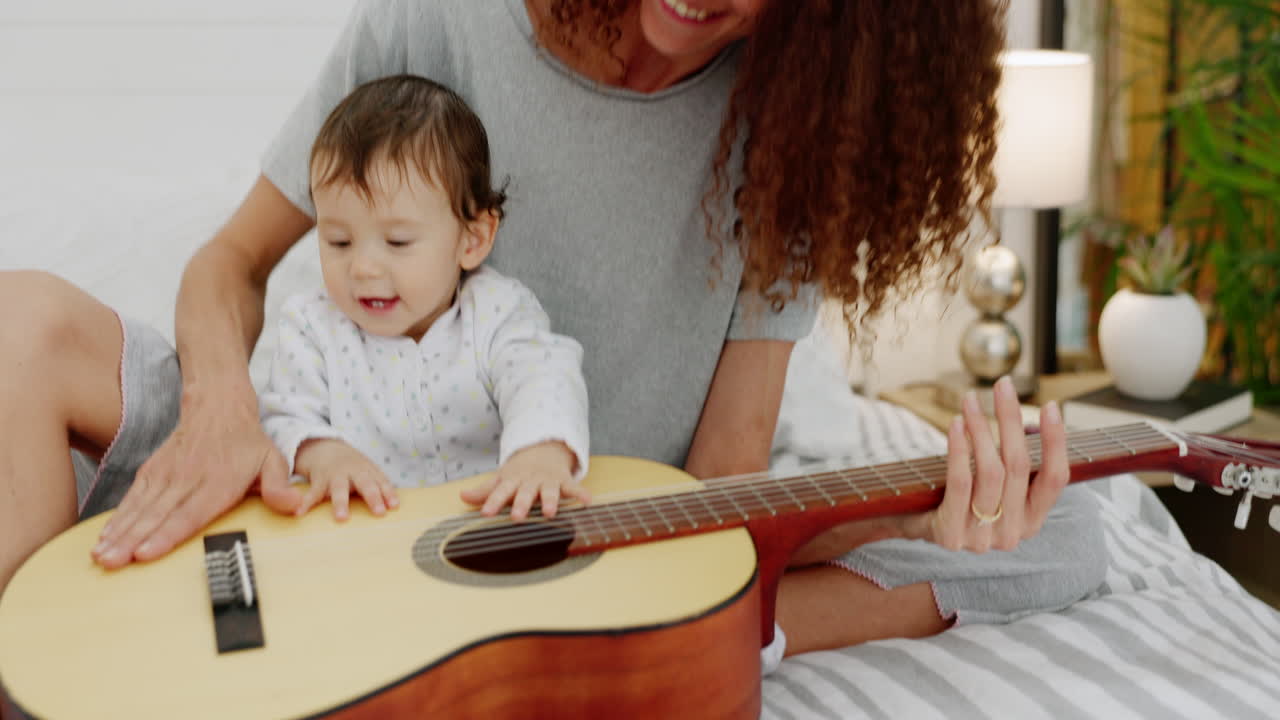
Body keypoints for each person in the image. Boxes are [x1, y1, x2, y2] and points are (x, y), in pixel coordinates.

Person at [0, 0, 1104, 680]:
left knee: (1068, 534)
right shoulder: (443, 15)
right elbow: (226, 266)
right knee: (21, 318)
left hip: (544, 540)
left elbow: (724, 478)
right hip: (308, 476)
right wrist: (226, 415)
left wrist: (921, 511)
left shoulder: (798, 135)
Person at [259, 74, 590, 523]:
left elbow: (544, 379)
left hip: (487, 526)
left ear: (472, 238)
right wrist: (324, 455)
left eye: (397, 242)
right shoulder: (312, 327)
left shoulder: (497, 313)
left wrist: (539, 454)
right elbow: (284, 414)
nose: (363, 268)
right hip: (365, 540)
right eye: (338, 241)